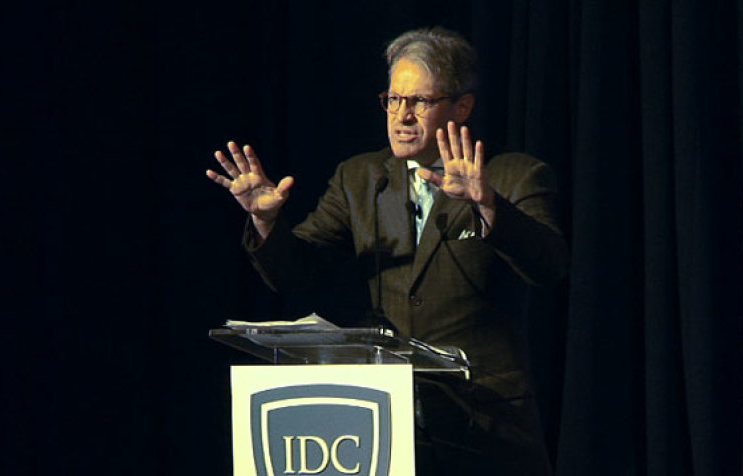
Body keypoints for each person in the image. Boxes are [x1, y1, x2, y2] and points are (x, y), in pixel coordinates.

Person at [207, 27, 567, 475]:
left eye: (419, 101)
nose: (402, 116)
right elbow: (298, 273)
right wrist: (266, 222)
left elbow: (548, 266)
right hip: (382, 423)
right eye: (394, 100)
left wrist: (488, 205)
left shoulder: (513, 175)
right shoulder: (359, 178)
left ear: (462, 106)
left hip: (487, 425)